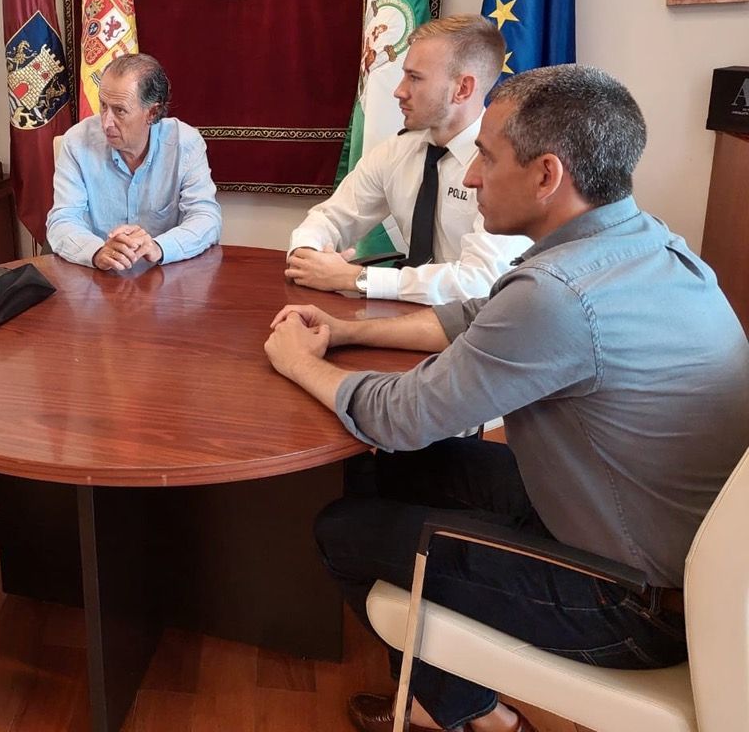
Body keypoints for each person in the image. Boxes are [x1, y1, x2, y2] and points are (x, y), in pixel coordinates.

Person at [264, 64, 749, 732]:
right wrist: (345, 332)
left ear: (547, 174)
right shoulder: (637, 241)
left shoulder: (557, 297)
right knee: (382, 471)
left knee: (342, 530)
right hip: (648, 542)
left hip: (633, 602)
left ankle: (468, 714)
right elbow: (475, 317)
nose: (470, 176)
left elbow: (401, 417)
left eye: (487, 158)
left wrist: (297, 365)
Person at [286, 14, 530, 305]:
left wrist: (355, 278)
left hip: (483, 331)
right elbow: (331, 218)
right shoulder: (398, 151)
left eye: (414, 78)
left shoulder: (509, 166)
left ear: (462, 89)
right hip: (408, 316)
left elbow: (479, 283)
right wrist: (308, 255)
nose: (399, 91)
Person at [47, 52, 221, 271]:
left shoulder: (184, 143)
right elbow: (62, 220)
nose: (106, 122)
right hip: (98, 280)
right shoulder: (77, 142)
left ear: (152, 113)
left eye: (119, 110)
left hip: (166, 280)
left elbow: (206, 218)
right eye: (103, 105)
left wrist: (158, 246)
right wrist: (97, 251)